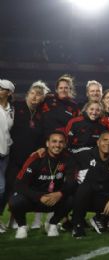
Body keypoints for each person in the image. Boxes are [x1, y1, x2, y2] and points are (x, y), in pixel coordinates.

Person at [9, 131, 77, 239]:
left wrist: (60, 193)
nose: (57, 145)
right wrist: (38, 196)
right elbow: (19, 184)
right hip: (34, 198)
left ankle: (53, 224)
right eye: (54, 141)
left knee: (72, 198)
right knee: (15, 201)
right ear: (47, 143)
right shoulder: (36, 157)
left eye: (61, 142)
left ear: (64, 144)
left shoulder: (69, 158)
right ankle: (22, 226)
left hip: (54, 198)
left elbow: (72, 182)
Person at [2, 81, 48, 227]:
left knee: (24, 189)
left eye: (39, 94)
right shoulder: (16, 107)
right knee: (7, 187)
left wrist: (42, 147)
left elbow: (43, 137)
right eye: (33, 93)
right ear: (28, 94)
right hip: (13, 156)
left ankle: (13, 219)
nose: (35, 97)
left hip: (31, 159)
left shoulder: (42, 114)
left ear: (42, 98)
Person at [71, 130, 109, 237]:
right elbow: (65, 157)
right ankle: (77, 224)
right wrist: (43, 150)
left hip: (104, 199)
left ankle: (101, 218)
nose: (108, 143)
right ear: (98, 142)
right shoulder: (85, 155)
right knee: (84, 187)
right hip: (84, 198)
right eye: (105, 140)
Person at [0, 79, 14, 221]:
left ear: (9, 93)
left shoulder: (12, 109)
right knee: (1, 188)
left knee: (6, 189)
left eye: (2, 88)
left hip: (6, 154)